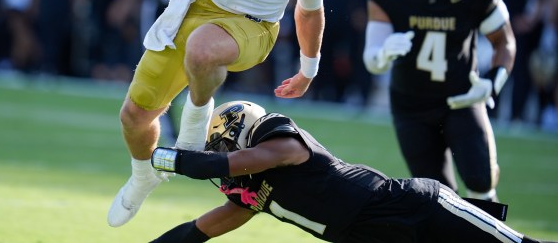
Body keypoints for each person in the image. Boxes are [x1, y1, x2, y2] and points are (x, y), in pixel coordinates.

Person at [107, 0, 353, 227]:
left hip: (255, 24)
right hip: (201, 3)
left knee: (203, 48)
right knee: (134, 117)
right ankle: (143, 177)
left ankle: (192, 129)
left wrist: (309, 66)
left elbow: (308, 7)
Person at [148, 100, 554, 243]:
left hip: (416, 207)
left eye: (221, 143)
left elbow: (221, 164)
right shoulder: (253, 193)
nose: (221, 157)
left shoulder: (283, 145)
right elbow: (199, 230)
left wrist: (162, 157)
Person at [360, 0, 517, 201]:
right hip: (411, 107)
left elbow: (505, 41)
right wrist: (382, 55)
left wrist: (491, 83)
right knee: (437, 199)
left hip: (460, 99)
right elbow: (372, 60)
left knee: (481, 184)